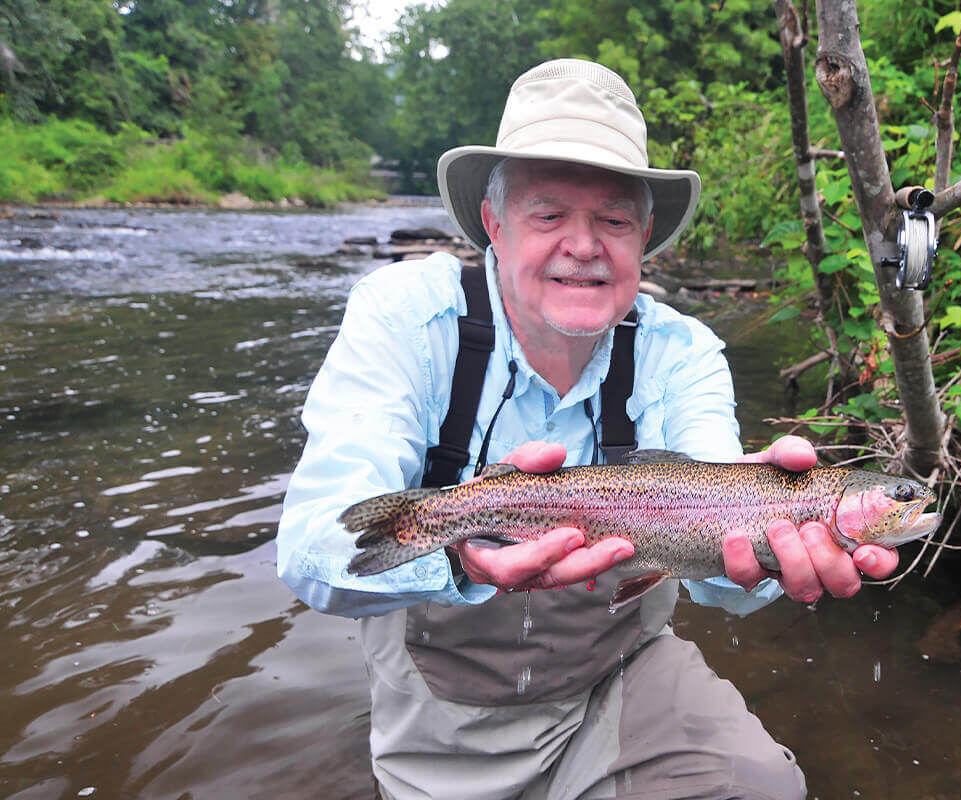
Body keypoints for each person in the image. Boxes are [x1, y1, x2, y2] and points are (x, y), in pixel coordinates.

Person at [277, 58, 899, 800]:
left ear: (642, 238)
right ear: (493, 224)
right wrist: (461, 563)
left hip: (620, 687)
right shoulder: (406, 316)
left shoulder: (683, 352)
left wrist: (762, 543)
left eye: (612, 220)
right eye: (549, 215)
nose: (583, 245)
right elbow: (315, 544)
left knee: (760, 786)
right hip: (444, 727)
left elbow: (721, 570)